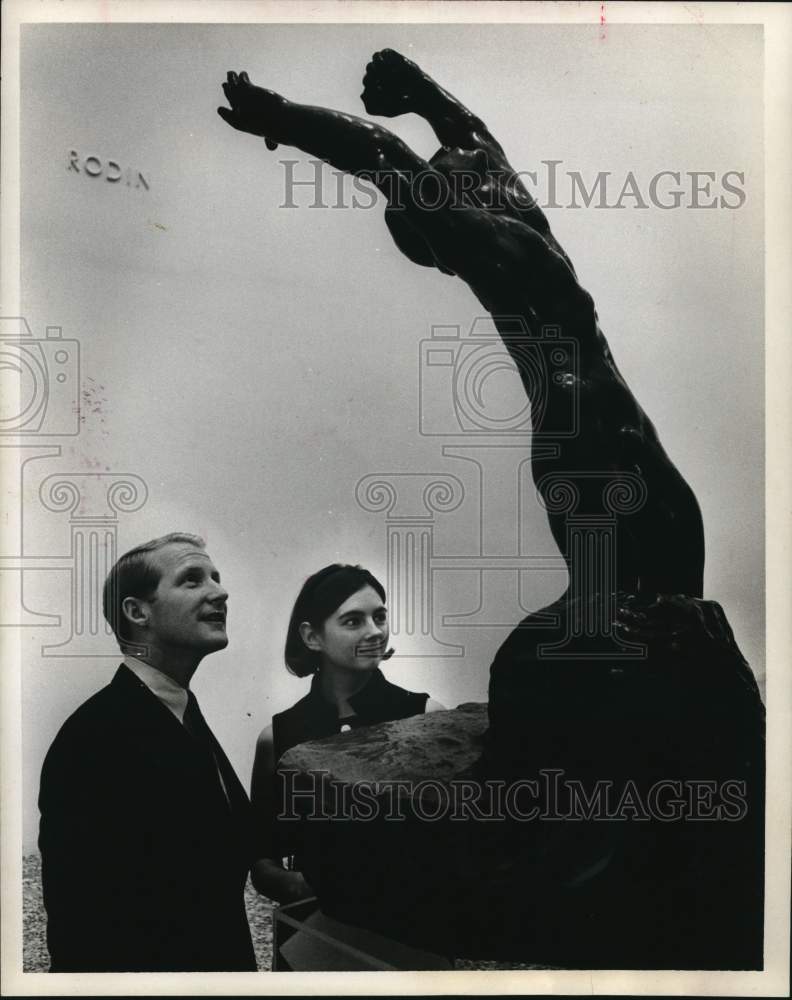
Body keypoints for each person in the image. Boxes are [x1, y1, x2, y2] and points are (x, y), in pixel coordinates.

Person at [218, 51, 764, 967]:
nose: (436, 253)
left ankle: (600, 857)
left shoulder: (493, 246)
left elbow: (381, 154)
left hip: (606, 481)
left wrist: (281, 116)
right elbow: (459, 134)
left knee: (568, 658)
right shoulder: (522, 220)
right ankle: (663, 846)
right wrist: (421, 90)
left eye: (426, 236)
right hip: (645, 483)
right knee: (646, 645)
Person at [38, 533, 257, 972]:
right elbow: (80, 928)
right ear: (138, 612)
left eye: (216, 577)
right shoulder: (92, 738)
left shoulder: (184, 715)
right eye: (192, 579)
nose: (220, 592)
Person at [250, 563, 443, 906]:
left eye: (380, 617)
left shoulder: (426, 716)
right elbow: (263, 859)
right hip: (314, 928)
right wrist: (298, 886)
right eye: (353, 621)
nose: (375, 631)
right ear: (312, 637)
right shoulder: (278, 737)